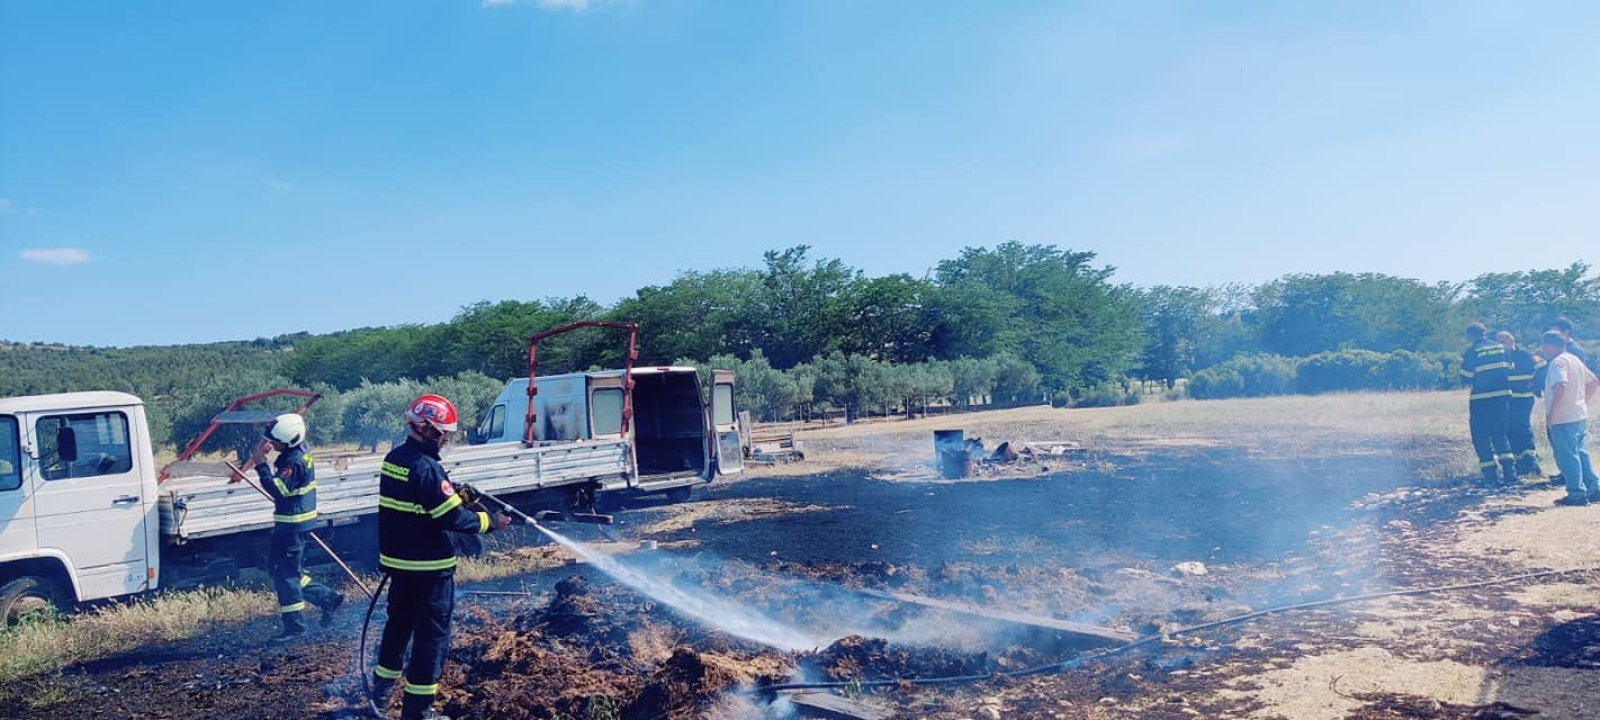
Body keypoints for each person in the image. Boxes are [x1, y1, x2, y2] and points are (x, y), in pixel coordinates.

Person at [371, 394, 510, 720]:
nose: (445, 438)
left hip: (400, 568)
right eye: (442, 433)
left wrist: (457, 494)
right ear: (426, 429)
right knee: (431, 640)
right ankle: (418, 712)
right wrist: (493, 522)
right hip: (430, 572)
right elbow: (453, 519)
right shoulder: (427, 469)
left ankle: (377, 698)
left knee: (396, 632)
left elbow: (424, 505)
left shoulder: (395, 459)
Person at [250, 413, 343, 639]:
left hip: (293, 526)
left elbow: (278, 491)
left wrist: (261, 466)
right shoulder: (297, 451)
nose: (272, 444)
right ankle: (326, 597)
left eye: (276, 441)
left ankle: (296, 628)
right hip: (291, 524)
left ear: (290, 440)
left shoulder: (294, 461)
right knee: (282, 571)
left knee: (287, 576)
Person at [1540, 331, 1600, 506]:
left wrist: (1552, 413)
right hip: (1578, 414)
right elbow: (1594, 382)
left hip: (1563, 417)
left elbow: (1561, 385)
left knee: (1567, 455)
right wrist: (1582, 401)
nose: (1543, 349)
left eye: (1544, 345)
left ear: (1550, 345)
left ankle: (1576, 494)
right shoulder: (1573, 359)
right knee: (1581, 452)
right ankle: (1594, 488)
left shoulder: (1557, 362)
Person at [1460, 323, 1515, 486]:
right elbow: (1511, 369)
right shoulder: (1501, 348)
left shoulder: (1472, 351)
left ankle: (1491, 476)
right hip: (1502, 399)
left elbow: (1466, 377)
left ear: (1470, 335)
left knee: (1481, 436)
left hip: (1481, 400)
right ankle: (1509, 474)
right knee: (1500, 434)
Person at [1499, 331, 1545, 477]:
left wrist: (1537, 386)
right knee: (1510, 429)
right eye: (1499, 342)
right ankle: (1519, 462)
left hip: (1524, 398)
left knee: (1523, 427)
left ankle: (1531, 461)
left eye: (1503, 342)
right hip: (1509, 399)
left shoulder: (1525, 354)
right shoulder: (1500, 357)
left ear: (1512, 341)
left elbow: (1542, 365)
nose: (1502, 345)